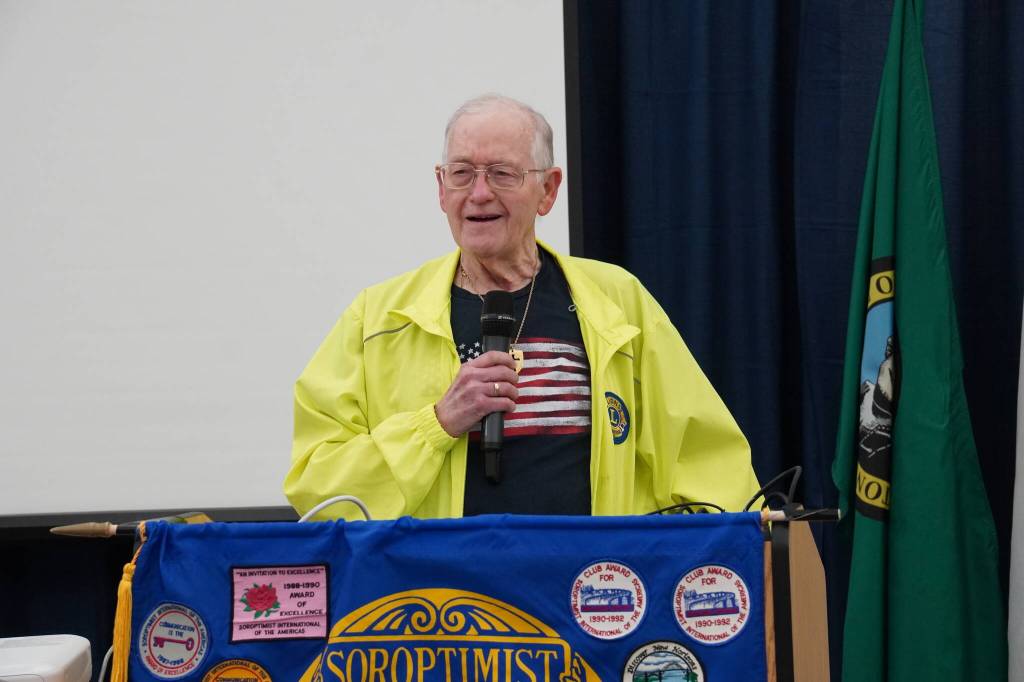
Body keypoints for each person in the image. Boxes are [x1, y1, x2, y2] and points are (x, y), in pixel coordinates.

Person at [284, 94, 759, 520]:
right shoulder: (378, 318)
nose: (480, 192)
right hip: (439, 601)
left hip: (591, 597)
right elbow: (320, 490)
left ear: (548, 190)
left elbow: (705, 464)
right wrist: (437, 423)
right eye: (462, 173)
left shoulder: (618, 303)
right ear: (441, 188)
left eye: (502, 173)